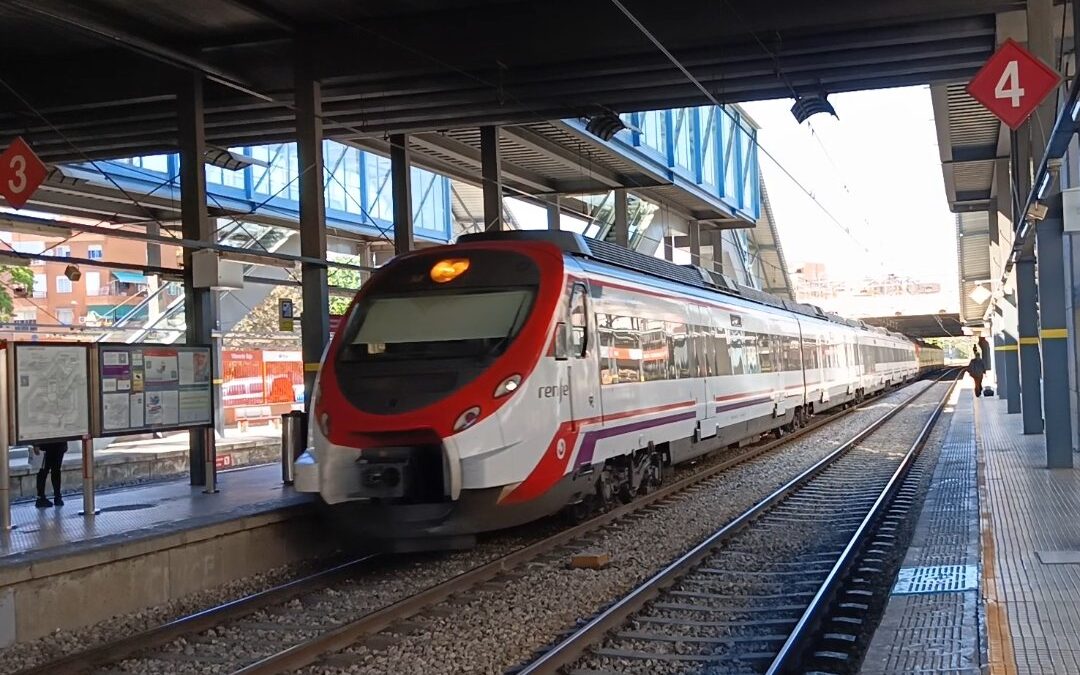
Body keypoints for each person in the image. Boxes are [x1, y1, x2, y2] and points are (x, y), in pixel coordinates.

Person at [34, 440, 68, 508]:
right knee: (50, 471)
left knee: (45, 471)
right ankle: (55, 497)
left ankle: (42, 497)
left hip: (51, 444)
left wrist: (36, 444)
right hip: (53, 444)